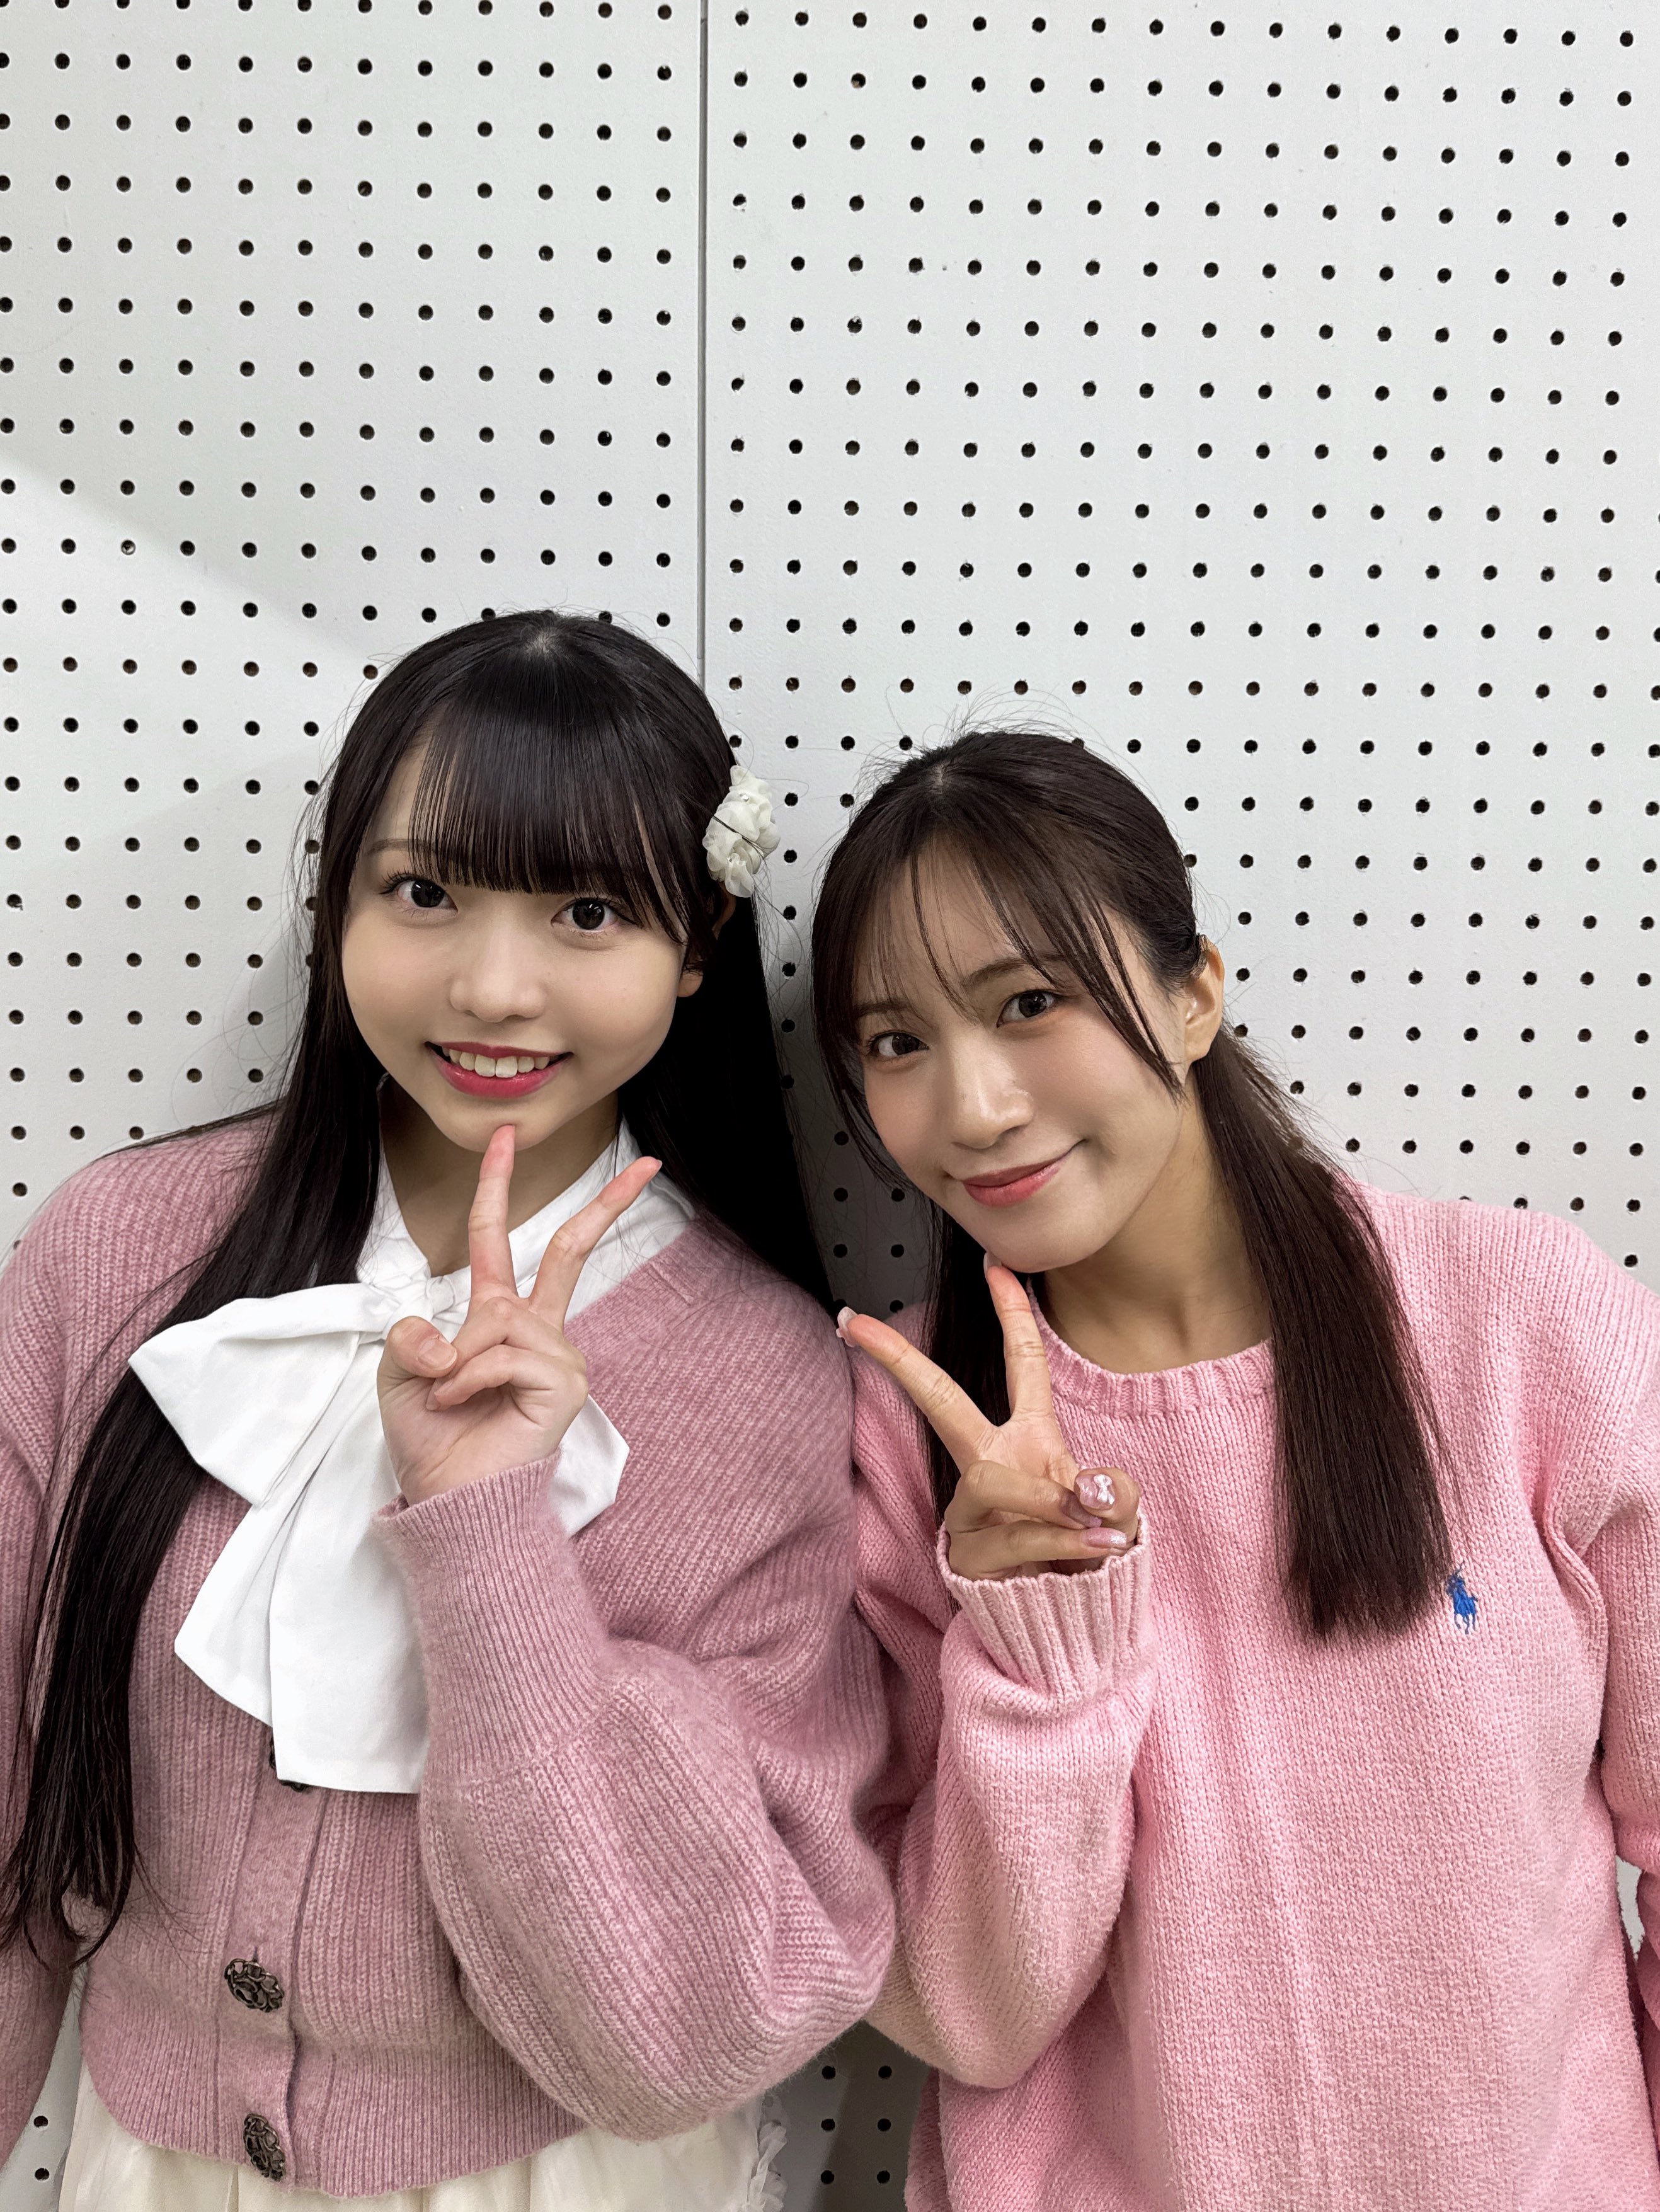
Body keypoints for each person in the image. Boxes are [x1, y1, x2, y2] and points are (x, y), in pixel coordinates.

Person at [0, 611, 893, 2209]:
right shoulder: (119, 1249)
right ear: (337, 897)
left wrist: (486, 1538)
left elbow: (681, 2030)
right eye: (424, 892)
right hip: (149, 2168)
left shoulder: (760, 1372)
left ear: (696, 944)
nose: (493, 985)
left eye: (587, 911)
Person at [811, 726, 1660, 2210]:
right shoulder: (904, 1437)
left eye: (1029, 1002)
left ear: (1193, 993)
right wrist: (1037, 1648)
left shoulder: (1522, 1326)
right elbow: (971, 2014)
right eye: (896, 1043)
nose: (974, 1106)